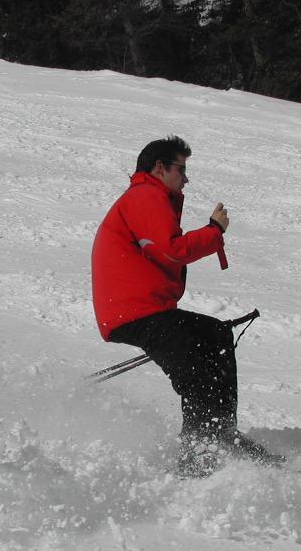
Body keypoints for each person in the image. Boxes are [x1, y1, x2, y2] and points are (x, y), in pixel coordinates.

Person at [90, 135, 281, 475]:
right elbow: (171, 249)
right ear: (160, 168)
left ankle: (220, 432)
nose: (186, 178)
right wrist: (213, 232)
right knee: (196, 370)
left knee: (215, 335)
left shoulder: (149, 196)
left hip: (144, 309)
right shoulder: (145, 196)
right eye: (181, 169)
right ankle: (199, 452)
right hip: (135, 312)